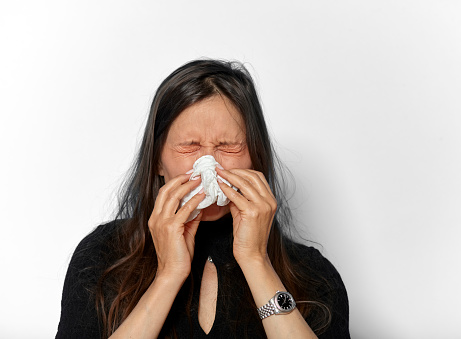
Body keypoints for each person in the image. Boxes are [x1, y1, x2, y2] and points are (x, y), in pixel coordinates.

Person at [56, 59, 350, 338]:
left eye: (229, 146)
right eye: (189, 147)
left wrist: (256, 261)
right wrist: (168, 276)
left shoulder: (313, 273)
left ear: (255, 159)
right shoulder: (102, 256)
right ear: (158, 161)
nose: (209, 163)